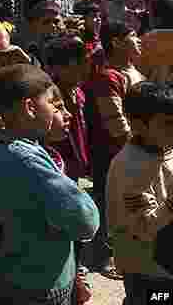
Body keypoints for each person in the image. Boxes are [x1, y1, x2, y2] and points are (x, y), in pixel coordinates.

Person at [0, 64, 100, 305]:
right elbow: (85, 219)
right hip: (39, 287)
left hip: (24, 279)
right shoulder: (25, 158)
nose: (61, 112)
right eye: (53, 104)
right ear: (29, 107)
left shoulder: (9, 150)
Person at [86, 22, 147, 279]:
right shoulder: (108, 77)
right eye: (133, 36)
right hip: (114, 153)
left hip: (137, 148)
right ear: (117, 42)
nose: (139, 41)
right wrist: (138, 148)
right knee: (108, 201)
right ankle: (104, 256)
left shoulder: (134, 71)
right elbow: (117, 124)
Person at [105, 82, 173, 303]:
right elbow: (143, 227)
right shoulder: (129, 167)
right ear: (138, 124)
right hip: (148, 269)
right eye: (168, 124)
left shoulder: (165, 149)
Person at [44, 36, 93, 182]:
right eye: (80, 63)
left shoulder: (79, 93)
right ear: (58, 68)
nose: (87, 67)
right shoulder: (48, 96)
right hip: (58, 170)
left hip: (77, 169)